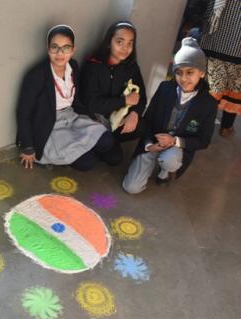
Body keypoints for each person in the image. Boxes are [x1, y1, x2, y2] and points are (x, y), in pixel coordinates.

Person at [122, 38, 217, 194]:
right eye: (179, 73)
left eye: (190, 72)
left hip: (176, 150)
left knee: (170, 160)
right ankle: (153, 158)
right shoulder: (165, 88)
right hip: (153, 143)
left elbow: (203, 141)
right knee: (131, 188)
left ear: (202, 73)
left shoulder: (208, 104)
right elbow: (147, 121)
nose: (184, 78)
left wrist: (175, 141)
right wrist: (148, 145)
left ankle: (165, 172)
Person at [16, 24, 113, 171]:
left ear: (73, 50)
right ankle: (67, 153)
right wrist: (28, 147)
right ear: (48, 48)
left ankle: (75, 150)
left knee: (107, 140)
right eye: (55, 47)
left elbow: (76, 100)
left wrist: (89, 116)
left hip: (71, 116)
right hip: (48, 123)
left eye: (66, 48)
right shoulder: (35, 76)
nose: (60, 53)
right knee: (87, 163)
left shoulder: (73, 66)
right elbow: (23, 113)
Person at [80, 20, 147, 165]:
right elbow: (92, 104)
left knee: (142, 125)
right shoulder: (93, 66)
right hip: (94, 119)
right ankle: (100, 142)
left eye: (130, 43)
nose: (125, 48)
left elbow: (141, 97)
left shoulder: (131, 67)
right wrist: (124, 101)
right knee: (114, 159)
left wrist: (134, 114)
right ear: (109, 42)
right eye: (120, 42)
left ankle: (106, 141)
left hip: (116, 119)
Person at [199, 0, 240, 137]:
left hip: (217, 36)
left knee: (212, 85)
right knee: (234, 84)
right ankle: (226, 127)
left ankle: (201, 124)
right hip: (234, 44)